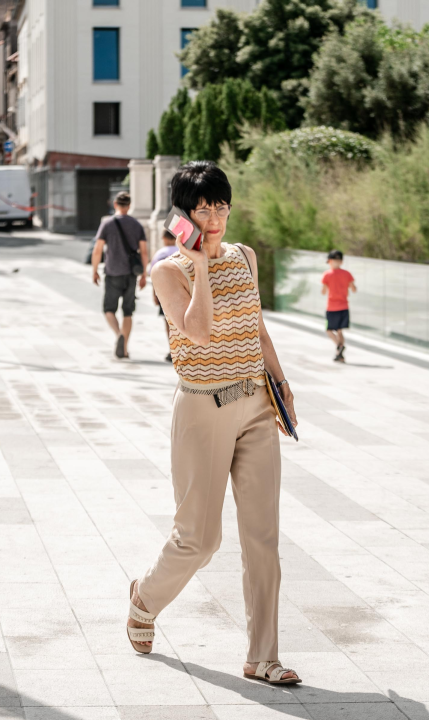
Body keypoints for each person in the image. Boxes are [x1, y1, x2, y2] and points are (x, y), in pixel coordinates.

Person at [127, 161, 301, 686]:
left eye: (221, 205)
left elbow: (257, 328)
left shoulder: (246, 256)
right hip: (202, 409)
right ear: (183, 215)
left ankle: (262, 657)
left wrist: (282, 383)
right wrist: (200, 265)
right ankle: (143, 599)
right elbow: (199, 333)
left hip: (255, 406)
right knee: (198, 540)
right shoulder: (166, 271)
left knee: (263, 539)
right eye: (203, 208)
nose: (215, 217)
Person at [91, 191, 148, 359]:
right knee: (128, 311)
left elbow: (97, 250)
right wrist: (144, 274)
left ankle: (118, 335)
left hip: (112, 272)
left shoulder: (107, 224)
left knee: (109, 309)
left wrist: (94, 270)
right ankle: (124, 348)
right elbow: (144, 252)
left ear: (115, 204)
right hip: (131, 274)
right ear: (129, 206)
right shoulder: (137, 225)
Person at [149, 229, 180, 362]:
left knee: (168, 322)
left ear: (164, 238)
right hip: (181, 292)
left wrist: (154, 295)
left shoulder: (160, 254)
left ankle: (171, 350)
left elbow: (154, 276)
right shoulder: (181, 253)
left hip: (165, 293)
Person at [322, 249, 356, 362]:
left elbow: (323, 291)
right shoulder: (347, 274)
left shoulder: (327, 274)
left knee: (329, 330)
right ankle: (340, 353)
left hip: (331, 307)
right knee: (340, 330)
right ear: (341, 261)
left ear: (330, 261)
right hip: (344, 306)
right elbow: (353, 289)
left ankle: (339, 346)